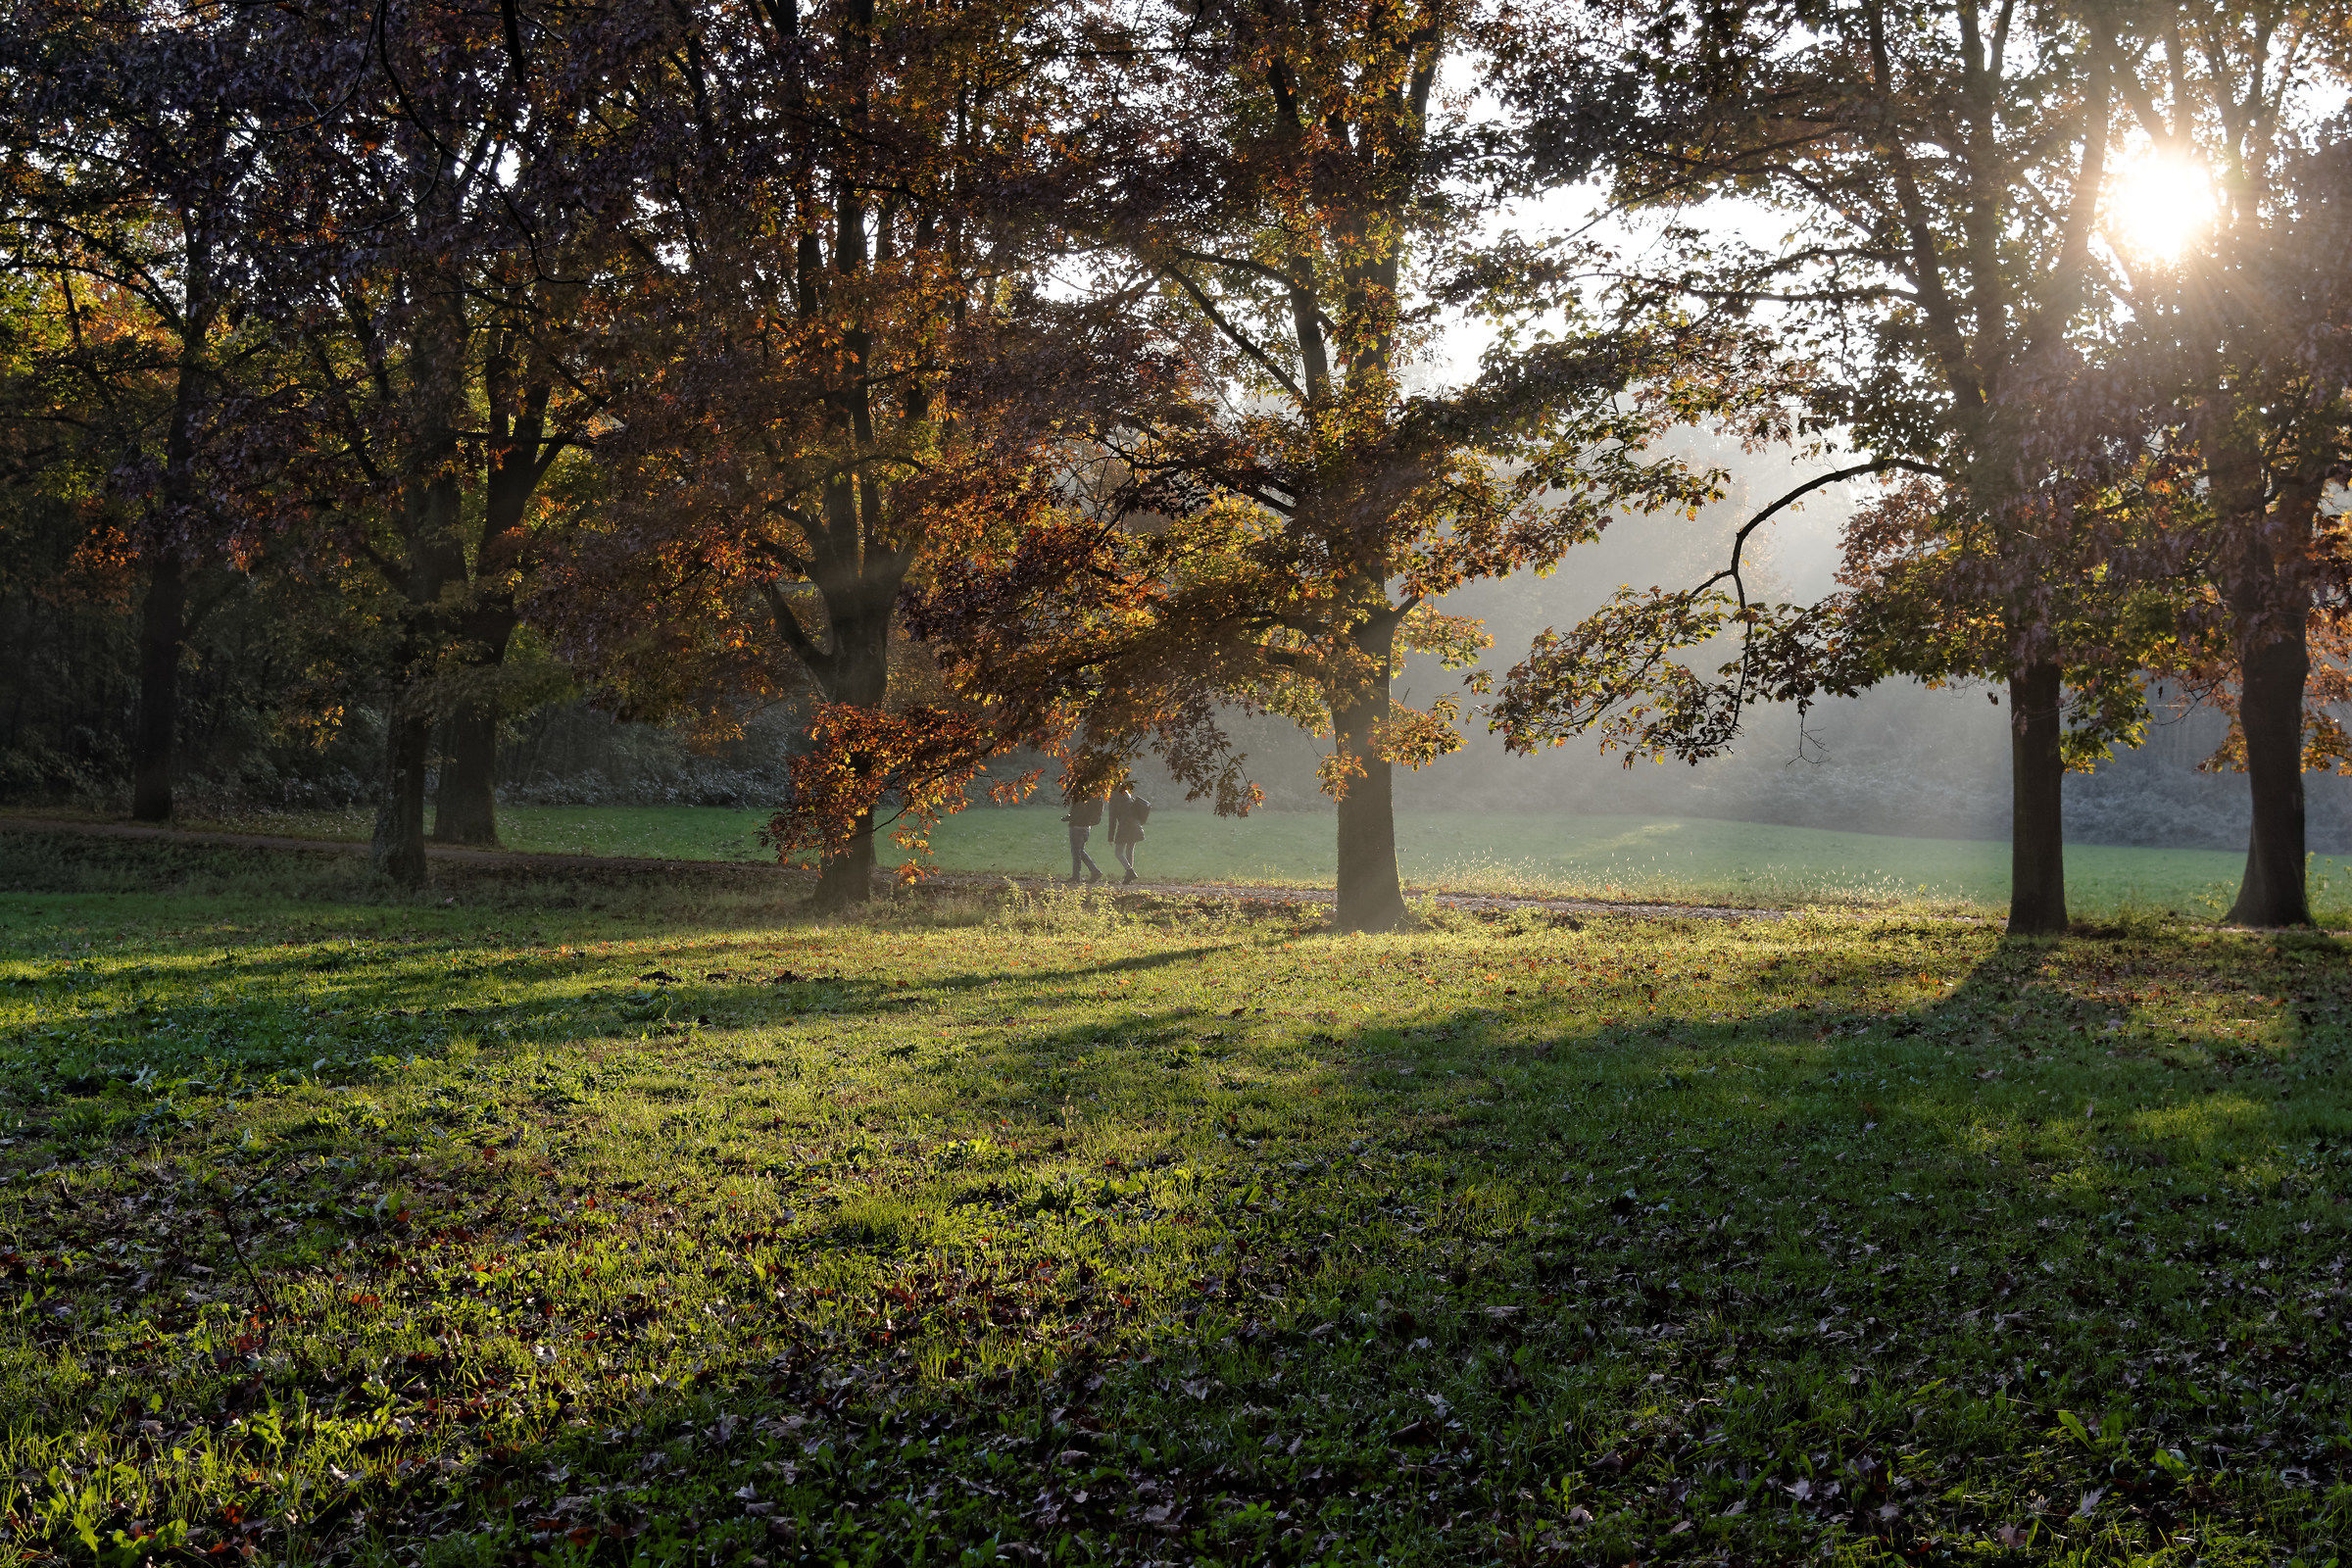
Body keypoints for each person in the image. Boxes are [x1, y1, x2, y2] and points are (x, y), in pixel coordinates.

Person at [1106, 780, 1151, 884]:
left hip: (1124, 828)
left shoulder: (1113, 800)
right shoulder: (1129, 798)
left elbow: (1112, 820)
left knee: (1118, 853)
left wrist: (1110, 837)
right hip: (1136, 827)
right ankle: (1128, 878)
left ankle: (1130, 872)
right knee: (1129, 851)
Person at [1061, 786, 1105, 884]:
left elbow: (1076, 811)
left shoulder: (1080, 793)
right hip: (1087, 826)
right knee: (1080, 851)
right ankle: (1094, 871)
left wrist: (1068, 818)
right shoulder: (1095, 794)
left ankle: (1077, 877)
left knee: (1076, 852)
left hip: (1077, 826)